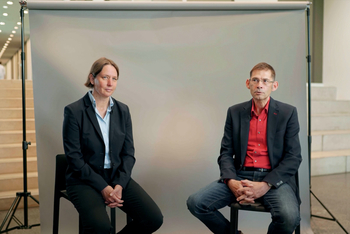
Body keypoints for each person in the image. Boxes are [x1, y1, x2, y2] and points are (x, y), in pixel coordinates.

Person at [187, 62, 302, 234]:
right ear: (248, 84)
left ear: (274, 85)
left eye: (265, 81)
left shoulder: (288, 113)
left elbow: (293, 157)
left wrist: (265, 184)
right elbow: (225, 153)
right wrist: (231, 181)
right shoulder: (235, 112)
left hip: (273, 177)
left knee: (289, 217)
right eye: (255, 80)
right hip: (240, 174)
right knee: (196, 203)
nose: (259, 85)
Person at [62, 57, 163, 234]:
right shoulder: (74, 111)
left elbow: (128, 154)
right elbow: (74, 159)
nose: (110, 83)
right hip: (84, 180)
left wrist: (119, 185)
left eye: (114, 79)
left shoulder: (123, 111)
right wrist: (104, 187)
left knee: (153, 219)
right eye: (105, 77)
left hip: (117, 177)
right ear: (92, 79)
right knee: (100, 228)